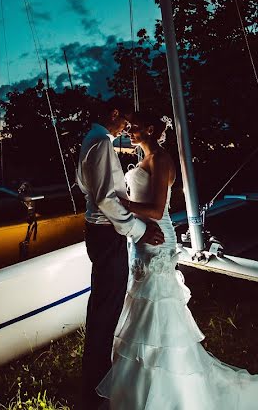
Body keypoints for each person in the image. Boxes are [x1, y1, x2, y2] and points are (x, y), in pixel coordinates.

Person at [97, 110, 258, 409]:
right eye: (129, 128)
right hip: (142, 239)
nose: (129, 131)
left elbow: (157, 210)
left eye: (134, 127)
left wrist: (121, 204)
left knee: (157, 306)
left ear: (150, 129)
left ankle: (167, 384)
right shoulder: (146, 158)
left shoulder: (160, 159)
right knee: (143, 304)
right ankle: (144, 384)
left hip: (158, 238)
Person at [77, 97, 165, 410]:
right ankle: (95, 388)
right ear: (114, 114)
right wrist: (140, 230)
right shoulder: (101, 142)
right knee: (106, 309)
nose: (126, 128)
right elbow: (105, 199)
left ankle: (95, 381)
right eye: (125, 121)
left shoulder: (90, 139)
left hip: (97, 231)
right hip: (105, 233)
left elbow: (88, 189)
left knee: (104, 303)